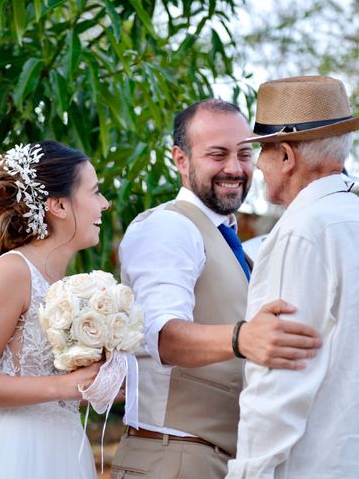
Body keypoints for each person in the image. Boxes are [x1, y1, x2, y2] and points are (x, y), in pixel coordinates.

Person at [110, 99, 323, 479]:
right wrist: (244, 338)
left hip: (220, 460)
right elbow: (161, 336)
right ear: (180, 159)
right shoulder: (168, 227)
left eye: (244, 153)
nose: (234, 168)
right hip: (174, 459)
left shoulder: (232, 240)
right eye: (217, 154)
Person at [226, 76, 359, 478]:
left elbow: (278, 381)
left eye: (263, 151)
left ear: (287, 157)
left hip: (318, 465)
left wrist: (247, 473)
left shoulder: (300, 233)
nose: (257, 165)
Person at [0, 141, 109, 478]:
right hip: (11, 452)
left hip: (63, 448)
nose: (105, 204)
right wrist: (67, 386)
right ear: (58, 205)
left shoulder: (67, 285)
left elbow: (55, 387)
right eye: (95, 192)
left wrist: (101, 384)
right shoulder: (13, 271)